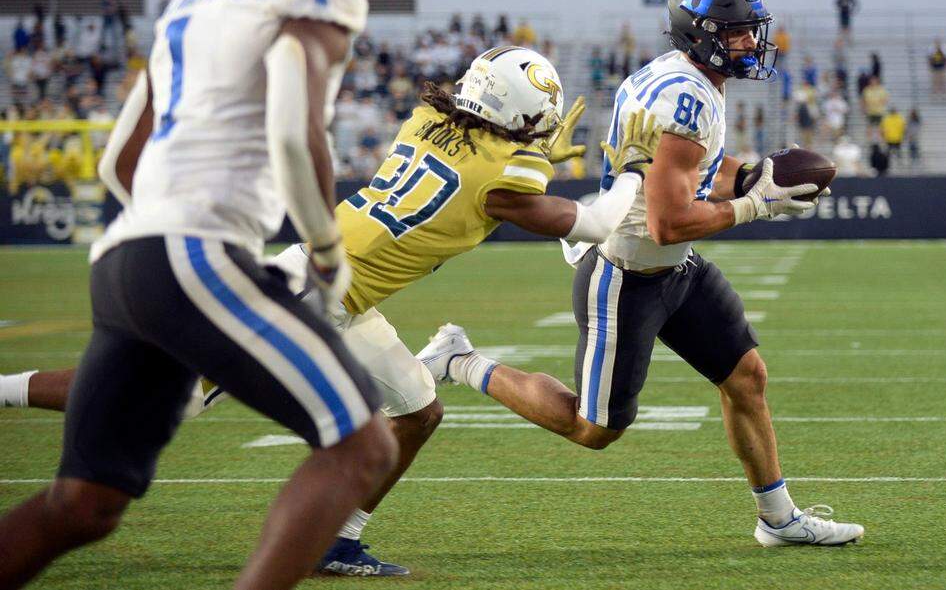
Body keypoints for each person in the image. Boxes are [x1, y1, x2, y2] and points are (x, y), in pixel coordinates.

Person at [0, 46, 665, 576]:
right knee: (168, 400)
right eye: (536, 119)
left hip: (337, 290)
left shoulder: (430, 118)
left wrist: (535, 156)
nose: (543, 130)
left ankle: (339, 542)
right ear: (517, 118)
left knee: (417, 407)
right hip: (303, 300)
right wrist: (634, 165)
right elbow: (599, 222)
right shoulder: (505, 178)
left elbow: (489, 165)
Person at [419, 0, 862, 548]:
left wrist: (752, 177)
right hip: (625, 275)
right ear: (701, 34)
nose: (752, 44)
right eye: (737, 33)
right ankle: (461, 361)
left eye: (752, 31)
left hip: (673, 266)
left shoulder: (683, 77)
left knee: (746, 376)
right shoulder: (687, 99)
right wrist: (757, 205)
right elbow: (668, 218)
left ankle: (778, 519)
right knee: (593, 427)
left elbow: (692, 169)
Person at [0, 0, 401, 589]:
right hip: (194, 252)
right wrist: (326, 253)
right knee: (364, 445)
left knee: (83, 505)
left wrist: (170, 231)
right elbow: (295, 131)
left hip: (124, 261)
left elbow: (117, 166)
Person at [861, 75, 889, 140]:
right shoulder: (867, 90)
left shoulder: (881, 89)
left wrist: (874, 102)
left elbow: (885, 100)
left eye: (874, 81)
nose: (873, 82)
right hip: (870, 111)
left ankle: (881, 140)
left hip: (879, 111)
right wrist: (863, 108)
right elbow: (863, 100)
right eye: (872, 81)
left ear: (877, 81)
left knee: (881, 127)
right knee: (869, 127)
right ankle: (869, 140)